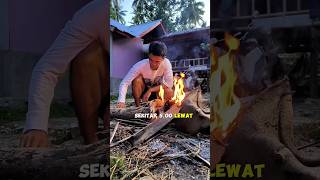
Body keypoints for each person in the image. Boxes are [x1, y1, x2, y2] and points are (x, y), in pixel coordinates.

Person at [20, 0, 108, 147]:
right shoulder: (96, 12)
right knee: (87, 54)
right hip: (98, 92)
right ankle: (91, 143)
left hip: (117, 94)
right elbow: (48, 68)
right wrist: (36, 126)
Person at [116, 41, 174, 108]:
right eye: (151, 60)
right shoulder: (140, 65)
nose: (153, 64)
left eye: (157, 61)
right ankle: (138, 106)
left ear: (163, 58)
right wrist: (121, 100)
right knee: (137, 80)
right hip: (142, 93)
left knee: (169, 91)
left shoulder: (166, 63)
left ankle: (162, 106)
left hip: (158, 92)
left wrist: (150, 90)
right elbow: (125, 83)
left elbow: (169, 84)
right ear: (148, 55)